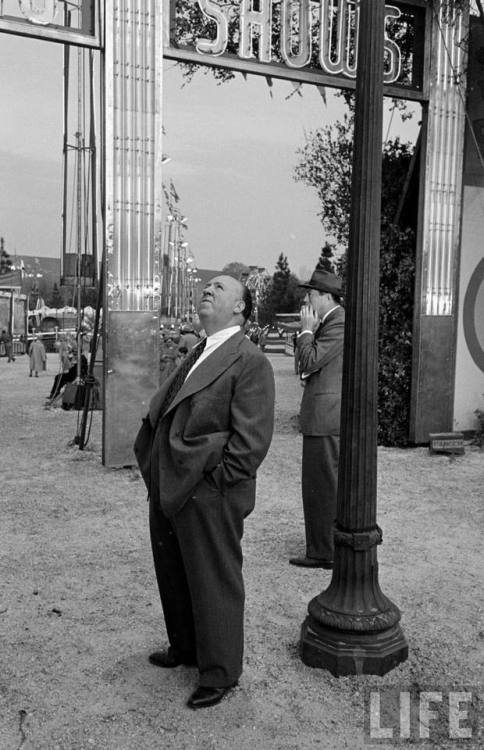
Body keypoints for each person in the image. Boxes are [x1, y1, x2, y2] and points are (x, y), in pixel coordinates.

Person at [134, 275, 275, 710]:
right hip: (171, 482)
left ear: (240, 308)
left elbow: (250, 444)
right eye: (207, 286)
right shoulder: (199, 349)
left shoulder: (249, 360)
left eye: (220, 287)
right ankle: (186, 648)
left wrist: (216, 486)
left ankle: (219, 671)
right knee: (174, 571)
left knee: (214, 579)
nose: (208, 290)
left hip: (207, 491)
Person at [289, 267, 345, 570]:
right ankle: (323, 548)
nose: (307, 299)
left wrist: (307, 331)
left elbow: (308, 360)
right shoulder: (332, 321)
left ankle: (324, 552)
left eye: (311, 293)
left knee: (321, 486)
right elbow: (304, 366)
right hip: (323, 416)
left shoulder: (337, 322)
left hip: (326, 418)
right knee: (320, 484)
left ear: (325, 296)